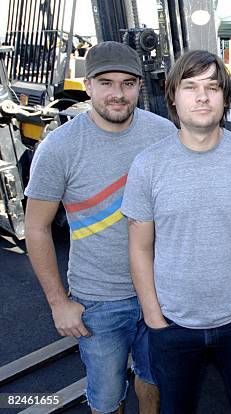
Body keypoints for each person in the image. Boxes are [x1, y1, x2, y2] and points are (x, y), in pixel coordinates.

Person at [121, 50, 231, 414]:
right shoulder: (148, 166)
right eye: (190, 86)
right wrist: (154, 317)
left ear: (225, 96)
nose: (202, 96)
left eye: (212, 86)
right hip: (172, 326)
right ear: (173, 96)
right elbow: (140, 248)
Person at [24, 41, 177, 413]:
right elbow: (37, 228)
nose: (117, 94)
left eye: (127, 83)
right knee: (107, 397)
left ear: (141, 86)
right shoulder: (59, 147)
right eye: (106, 83)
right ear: (88, 85)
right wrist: (59, 303)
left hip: (160, 292)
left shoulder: (164, 134)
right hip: (98, 298)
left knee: (154, 379)